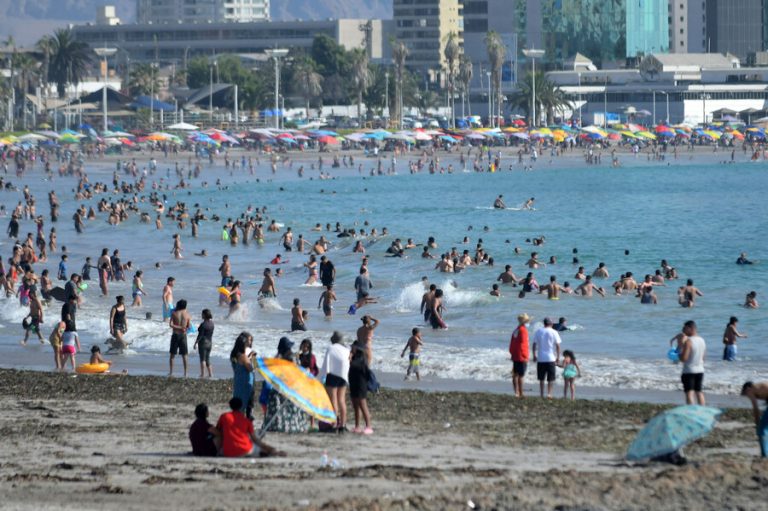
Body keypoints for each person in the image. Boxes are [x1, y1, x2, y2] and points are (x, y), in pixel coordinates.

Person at [262, 337, 309, 433]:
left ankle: (277, 424)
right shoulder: (287, 357)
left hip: (284, 385)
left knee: (278, 403)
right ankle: (291, 425)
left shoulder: (288, 357)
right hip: (287, 385)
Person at [213, 397, 283, 458]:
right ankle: (271, 452)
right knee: (258, 446)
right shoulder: (246, 420)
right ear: (240, 406)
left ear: (230, 406)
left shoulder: (224, 416)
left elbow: (217, 430)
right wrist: (269, 448)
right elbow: (255, 439)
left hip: (228, 452)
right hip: (245, 450)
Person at [320, 331, 350, 433]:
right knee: (341, 400)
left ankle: (334, 424)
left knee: (333, 399)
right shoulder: (346, 349)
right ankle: (343, 424)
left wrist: (320, 378)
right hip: (343, 376)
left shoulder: (331, 348)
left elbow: (326, 364)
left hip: (332, 375)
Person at [677, 320, 706, 405]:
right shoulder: (702, 340)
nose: (682, 330)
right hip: (700, 370)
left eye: (684, 328)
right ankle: (702, 411)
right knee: (699, 392)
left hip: (689, 370)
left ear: (690, 328)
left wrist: (679, 351)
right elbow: (703, 358)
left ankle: (691, 410)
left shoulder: (689, 341)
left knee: (689, 392)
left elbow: (684, 358)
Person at [532, 318, 562, 399]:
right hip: (550, 358)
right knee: (550, 378)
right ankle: (549, 393)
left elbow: (534, 344)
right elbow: (558, 346)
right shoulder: (554, 332)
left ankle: (541, 394)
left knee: (541, 378)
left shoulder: (538, 331)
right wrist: (558, 357)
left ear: (544, 323)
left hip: (541, 358)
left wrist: (534, 355)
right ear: (551, 324)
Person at [348, 342, 373, 434]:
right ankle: (357, 426)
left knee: (362, 405)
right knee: (355, 406)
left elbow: (362, 370)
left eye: (352, 347)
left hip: (361, 384)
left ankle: (369, 426)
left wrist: (350, 359)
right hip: (353, 383)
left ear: (357, 349)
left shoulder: (362, 359)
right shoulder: (354, 358)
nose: (351, 349)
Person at [230, 331, 255, 418]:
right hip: (246, 383)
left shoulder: (234, 354)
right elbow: (250, 368)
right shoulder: (243, 356)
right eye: (249, 340)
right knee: (247, 405)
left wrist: (249, 358)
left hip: (238, 381)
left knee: (238, 403)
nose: (250, 342)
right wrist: (251, 358)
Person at [740, 381, 768, 458]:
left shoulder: (750, 390)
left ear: (747, 388)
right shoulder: (759, 387)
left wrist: (757, 423)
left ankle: (765, 455)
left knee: (762, 430)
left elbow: (756, 408)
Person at [509, 313, 531, 398]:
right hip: (521, 355)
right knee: (521, 375)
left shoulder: (516, 330)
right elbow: (523, 344)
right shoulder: (523, 330)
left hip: (515, 354)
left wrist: (512, 353)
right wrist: (525, 355)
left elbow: (512, 343)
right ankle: (521, 393)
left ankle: (516, 392)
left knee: (515, 374)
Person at [169, 299, 191, 377]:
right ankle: (185, 373)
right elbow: (189, 326)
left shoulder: (174, 313)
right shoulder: (187, 315)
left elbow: (171, 324)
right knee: (184, 355)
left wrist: (178, 327)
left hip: (175, 334)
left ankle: (171, 372)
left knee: (172, 355)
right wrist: (183, 327)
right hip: (183, 335)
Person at [60, 294, 80, 371]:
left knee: (67, 353)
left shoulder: (69, 305)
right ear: (71, 299)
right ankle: (71, 367)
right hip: (69, 326)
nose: (75, 301)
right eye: (75, 300)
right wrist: (71, 323)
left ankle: (62, 367)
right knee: (70, 353)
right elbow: (68, 315)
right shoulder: (68, 305)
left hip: (67, 326)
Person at [193, 309, 215, 378]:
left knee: (202, 359)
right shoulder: (212, 324)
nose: (201, 315)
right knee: (208, 358)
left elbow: (200, 335)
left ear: (205, 315)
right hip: (210, 342)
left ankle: (203, 374)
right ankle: (211, 374)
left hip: (203, 343)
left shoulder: (203, 325)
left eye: (202, 314)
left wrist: (196, 343)